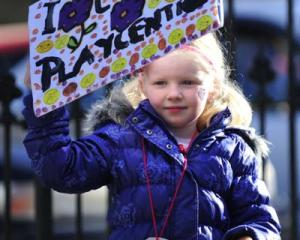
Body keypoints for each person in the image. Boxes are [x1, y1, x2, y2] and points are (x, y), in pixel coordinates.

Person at [23, 32, 281, 240]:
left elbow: (259, 220)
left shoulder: (233, 148)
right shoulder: (120, 139)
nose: (174, 93)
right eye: (161, 83)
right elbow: (60, 169)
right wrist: (44, 102)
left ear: (212, 86)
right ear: (143, 84)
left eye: (188, 83)